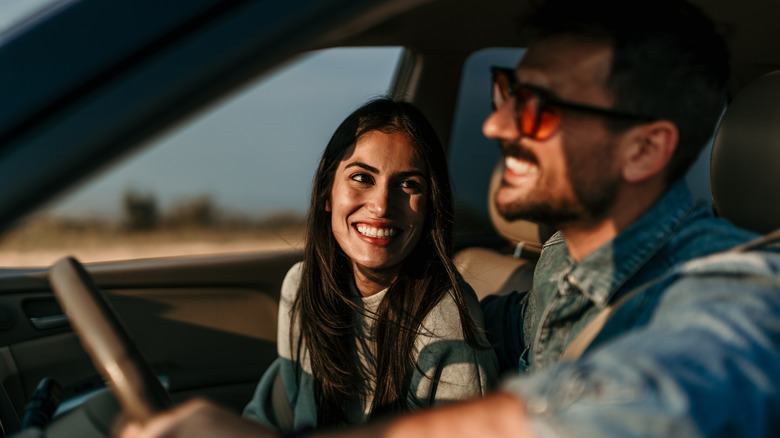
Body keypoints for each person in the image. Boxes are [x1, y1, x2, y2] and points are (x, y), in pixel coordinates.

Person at [120, 0, 780, 437]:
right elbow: (516, 335)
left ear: (645, 149)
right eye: (507, 94)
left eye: (537, 109)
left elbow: (656, 393)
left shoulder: (737, 289)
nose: (495, 125)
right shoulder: (562, 262)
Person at [241, 98, 498, 432]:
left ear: (431, 207)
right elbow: (272, 417)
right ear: (327, 191)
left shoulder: (447, 324)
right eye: (362, 177)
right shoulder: (302, 285)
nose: (380, 206)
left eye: (408, 184)